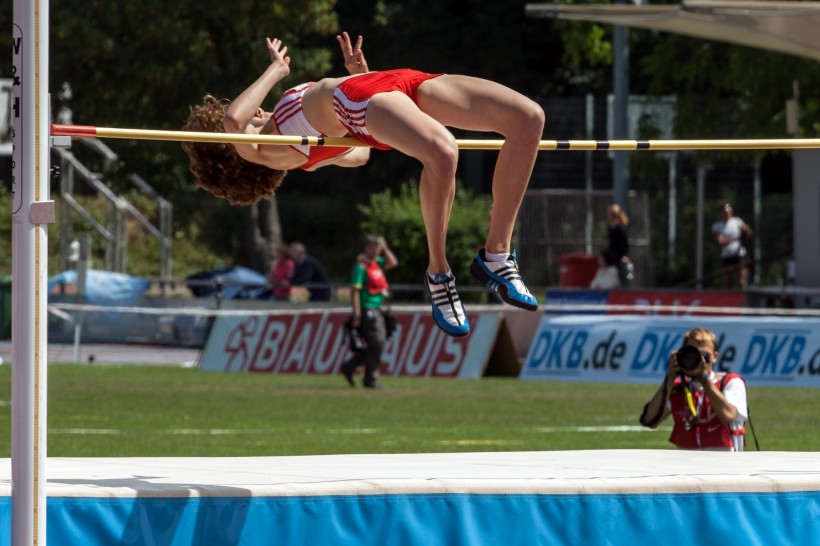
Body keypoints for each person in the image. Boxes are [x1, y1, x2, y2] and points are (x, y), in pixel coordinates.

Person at [182, 32, 545, 338]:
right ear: (236, 156)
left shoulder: (305, 151)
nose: (256, 111)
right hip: (359, 99)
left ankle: (496, 256)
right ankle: (438, 271)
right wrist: (276, 70)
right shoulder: (263, 150)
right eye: (251, 117)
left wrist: (363, 80)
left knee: (528, 119)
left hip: (386, 84)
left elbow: (361, 156)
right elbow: (232, 120)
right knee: (444, 153)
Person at [639, 327, 748, 452]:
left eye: (704, 355)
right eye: (692, 355)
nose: (698, 360)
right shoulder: (678, 387)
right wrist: (669, 379)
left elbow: (727, 416)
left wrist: (704, 379)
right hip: (688, 467)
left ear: (715, 357)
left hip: (725, 465)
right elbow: (650, 421)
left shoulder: (730, 382)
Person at [341, 235, 398, 389]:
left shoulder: (376, 264)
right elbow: (355, 291)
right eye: (374, 247)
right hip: (367, 308)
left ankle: (353, 367)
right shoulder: (361, 267)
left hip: (378, 307)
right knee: (377, 342)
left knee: (377, 343)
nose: (376, 251)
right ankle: (369, 378)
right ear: (366, 247)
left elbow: (393, 262)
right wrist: (357, 312)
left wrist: (385, 248)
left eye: (378, 248)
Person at [712, 203, 753, 290]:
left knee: (741, 282)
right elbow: (721, 241)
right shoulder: (717, 226)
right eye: (725, 212)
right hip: (727, 255)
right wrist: (736, 238)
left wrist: (747, 229)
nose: (727, 213)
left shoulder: (737, 221)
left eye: (729, 211)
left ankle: (743, 301)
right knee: (728, 281)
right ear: (721, 213)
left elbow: (749, 234)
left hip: (740, 254)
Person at [605, 203, 632, 287]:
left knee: (620, 275)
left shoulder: (620, 228)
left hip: (619, 257)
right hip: (612, 257)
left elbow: (624, 245)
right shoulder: (610, 227)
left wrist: (619, 255)